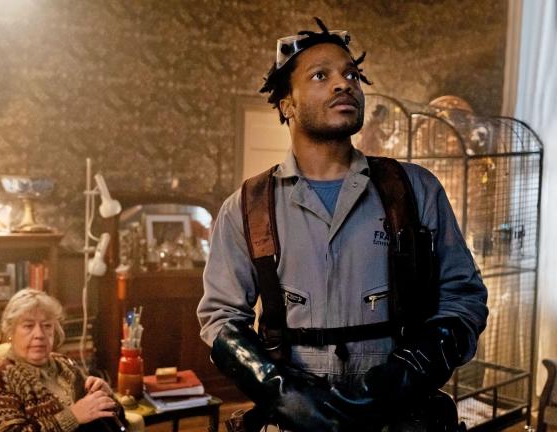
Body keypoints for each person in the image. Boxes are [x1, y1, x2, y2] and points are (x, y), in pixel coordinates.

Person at [197, 18, 488, 431]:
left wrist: (406, 374)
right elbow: (221, 319)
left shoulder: (414, 190)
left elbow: (463, 297)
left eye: (351, 74)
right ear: (287, 104)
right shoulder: (247, 207)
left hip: (399, 420)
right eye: (321, 75)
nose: (343, 84)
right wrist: (283, 394)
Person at [0, 288, 129, 432]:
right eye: (28, 326)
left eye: (47, 326)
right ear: (10, 332)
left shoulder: (64, 365)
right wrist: (73, 417)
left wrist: (108, 398)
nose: (39, 334)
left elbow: (117, 423)